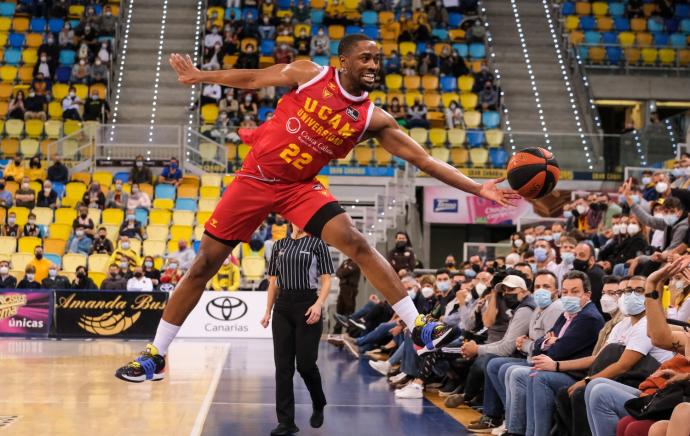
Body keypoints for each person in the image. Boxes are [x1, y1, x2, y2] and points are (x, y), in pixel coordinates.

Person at [115, 35, 519, 382]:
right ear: (343, 61)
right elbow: (254, 79)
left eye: (377, 59)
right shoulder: (310, 74)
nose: (373, 65)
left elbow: (426, 162)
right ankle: (157, 354)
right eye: (365, 58)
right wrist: (199, 76)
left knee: (357, 243)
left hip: (297, 189)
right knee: (204, 265)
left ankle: (418, 327)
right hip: (254, 180)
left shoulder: (371, 119)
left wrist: (477, 188)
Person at [260, 224, 333, 435]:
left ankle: (319, 402)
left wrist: (319, 304)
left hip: (307, 304)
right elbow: (273, 281)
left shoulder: (317, 244)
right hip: (283, 307)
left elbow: (327, 280)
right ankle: (286, 422)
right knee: (283, 368)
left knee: (305, 365)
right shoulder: (279, 245)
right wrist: (268, 311)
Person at [332, 257, 361, 334]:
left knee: (349, 311)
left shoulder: (355, 262)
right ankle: (336, 332)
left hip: (350, 289)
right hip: (342, 288)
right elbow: (338, 272)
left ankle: (351, 332)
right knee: (339, 310)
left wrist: (342, 272)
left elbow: (343, 272)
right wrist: (342, 272)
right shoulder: (346, 261)